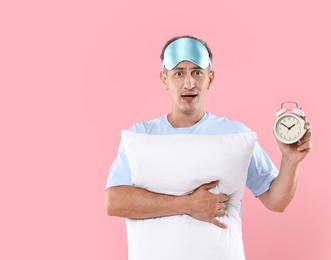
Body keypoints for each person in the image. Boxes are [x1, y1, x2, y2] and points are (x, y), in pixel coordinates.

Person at [105, 35, 312, 259]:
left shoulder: (235, 135)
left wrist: (290, 161)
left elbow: (275, 201)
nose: (189, 83)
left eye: (197, 72)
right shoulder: (141, 136)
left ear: (210, 78)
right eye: (178, 73)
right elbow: (115, 202)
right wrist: (186, 205)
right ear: (164, 79)